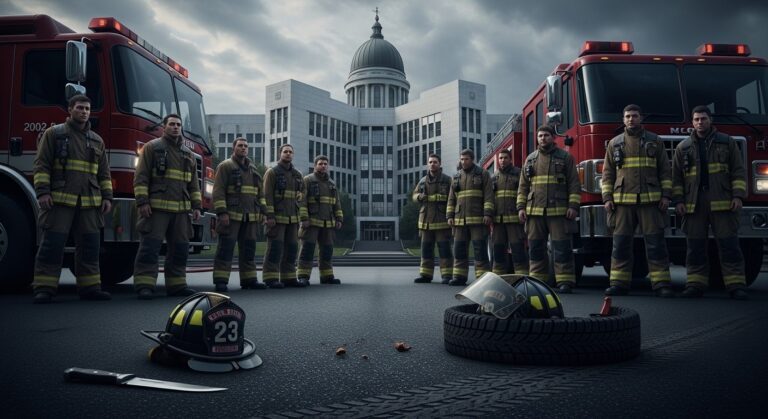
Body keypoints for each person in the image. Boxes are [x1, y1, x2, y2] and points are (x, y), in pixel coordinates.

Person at [31, 94, 113, 303]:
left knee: (90, 247)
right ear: (70, 110)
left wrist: (107, 197)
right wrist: (43, 192)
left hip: (89, 202)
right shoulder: (54, 134)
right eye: (80, 108)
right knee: (52, 244)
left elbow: (104, 173)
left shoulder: (97, 140)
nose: (84, 112)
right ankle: (44, 288)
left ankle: (90, 288)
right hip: (59, 200)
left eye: (87, 108)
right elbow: (42, 165)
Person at [672, 106, 748, 300]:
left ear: (710, 120)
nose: (700, 122)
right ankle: (695, 285)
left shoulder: (727, 142)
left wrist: (738, 196)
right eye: (696, 119)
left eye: (703, 119)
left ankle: (736, 285)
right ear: (692, 122)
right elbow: (677, 179)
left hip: (722, 201)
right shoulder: (683, 147)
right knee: (695, 247)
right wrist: (679, 201)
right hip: (694, 203)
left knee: (729, 245)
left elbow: (738, 171)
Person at [602, 104, 674, 297]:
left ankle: (661, 284)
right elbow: (607, 174)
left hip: (651, 201)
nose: (631, 119)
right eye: (628, 116)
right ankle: (618, 283)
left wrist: (666, 195)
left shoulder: (655, 141)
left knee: (656, 243)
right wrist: (607, 198)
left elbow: (665, 172)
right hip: (622, 202)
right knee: (621, 244)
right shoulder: (614, 143)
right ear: (623, 119)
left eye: (634, 116)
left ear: (641, 118)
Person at [133, 114, 201, 299]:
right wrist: (142, 202)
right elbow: (141, 177)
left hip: (181, 211)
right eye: (171, 124)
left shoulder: (188, 154)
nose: (175, 127)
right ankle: (144, 285)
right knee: (150, 247)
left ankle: (177, 284)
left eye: (178, 124)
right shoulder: (152, 148)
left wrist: (196, 206)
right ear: (164, 127)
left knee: (180, 248)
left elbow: (194, 184)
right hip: (156, 209)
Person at [517, 125, 580, 293]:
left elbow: (574, 183)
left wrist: (573, 206)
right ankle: (538, 282)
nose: (543, 138)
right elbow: (523, 186)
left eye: (546, 135)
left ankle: (565, 281)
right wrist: (521, 207)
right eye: (540, 136)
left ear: (553, 137)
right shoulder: (530, 159)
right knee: (536, 248)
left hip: (559, 211)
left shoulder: (565, 157)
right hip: (534, 211)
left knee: (562, 247)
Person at [211, 138, 268, 293]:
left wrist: (263, 211)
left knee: (249, 249)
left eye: (246, 146)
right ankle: (221, 280)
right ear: (233, 148)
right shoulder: (225, 166)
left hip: (250, 217)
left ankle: (249, 279)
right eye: (240, 146)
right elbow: (218, 191)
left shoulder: (254, 170)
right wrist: (222, 212)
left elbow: (260, 194)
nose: (243, 148)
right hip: (230, 216)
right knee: (226, 249)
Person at [262, 144, 308, 288]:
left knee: (292, 248)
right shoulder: (272, 172)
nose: (288, 154)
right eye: (285, 152)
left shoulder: (297, 174)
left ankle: (289, 277)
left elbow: (303, 193)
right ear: (279, 154)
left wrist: (301, 195)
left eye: (290, 152)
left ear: (293, 155)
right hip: (276, 218)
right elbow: (266, 196)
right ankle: (271, 278)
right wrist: (269, 216)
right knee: (275, 247)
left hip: (293, 219)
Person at [446, 149, 493, 286]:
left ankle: (483, 278)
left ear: (472, 159)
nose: (464, 161)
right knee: (459, 249)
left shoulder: (483, 174)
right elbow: (451, 199)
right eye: (461, 159)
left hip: (478, 220)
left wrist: (487, 213)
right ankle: (459, 277)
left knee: (480, 250)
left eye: (466, 159)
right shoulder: (456, 177)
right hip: (459, 220)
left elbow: (489, 195)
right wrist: (449, 215)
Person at [297, 155, 344, 285]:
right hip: (311, 222)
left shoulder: (332, 184)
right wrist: (304, 218)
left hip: (328, 223)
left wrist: (339, 218)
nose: (323, 166)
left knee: (327, 250)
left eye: (325, 164)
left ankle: (327, 276)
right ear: (315, 165)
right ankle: (303, 276)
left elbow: (337, 203)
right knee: (307, 249)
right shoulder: (307, 180)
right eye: (320, 163)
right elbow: (302, 200)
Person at [412, 153, 453, 284]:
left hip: (441, 221)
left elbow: (453, 198)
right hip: (425, 223)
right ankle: (425, 275)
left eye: (435, 162)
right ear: (427, 164)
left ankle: (446, 275)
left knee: (444, 249)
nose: (432, 164)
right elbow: (414, 195)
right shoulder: (423, 180)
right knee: (426, 249)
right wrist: (419, 197)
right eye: (430, 162)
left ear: (440, 164)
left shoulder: (447, 180)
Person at [491, 148, 529, 276]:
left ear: (510, 159)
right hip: (498, 220)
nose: (502, 160)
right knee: (498, 249)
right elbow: (490, 198)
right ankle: (498, 275)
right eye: (500, 158)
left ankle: (521, 275)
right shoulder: (494, 177)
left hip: (514, 219)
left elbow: (524, 192)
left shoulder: (519, 173)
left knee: (518, 248)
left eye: (505, 158)